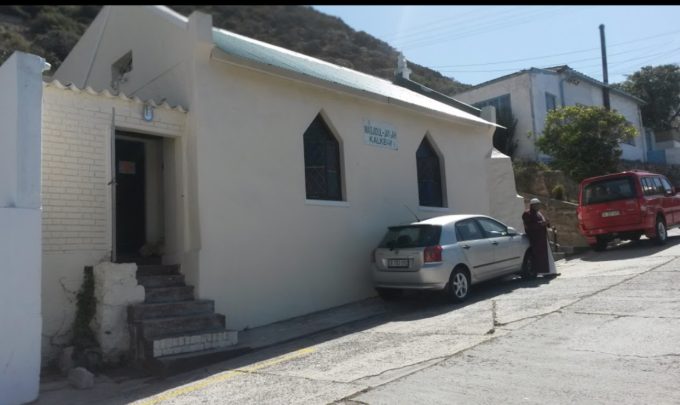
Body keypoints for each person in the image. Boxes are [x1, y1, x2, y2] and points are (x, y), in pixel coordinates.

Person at [522, 198, 559, 278]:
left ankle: (551, 271)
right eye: (537, 204)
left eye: (539, 204)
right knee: (540, 256)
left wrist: (547, 223)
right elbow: (529, 226)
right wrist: (542, 224)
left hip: (542, 237)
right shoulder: (527, 214)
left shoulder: (538, 213)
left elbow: (542, 222)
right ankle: (544, 272)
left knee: (547, 255)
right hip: (536, 239)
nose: (539, 206)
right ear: (533, 205)